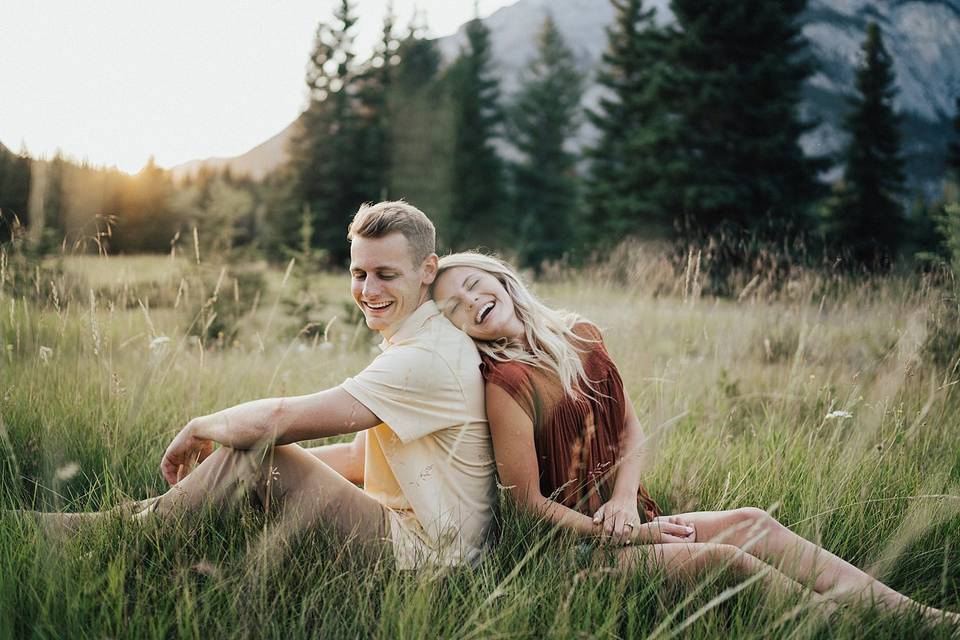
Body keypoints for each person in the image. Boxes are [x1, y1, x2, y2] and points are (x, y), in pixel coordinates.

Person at [431, 250, 960, 625]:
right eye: (453, 306)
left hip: (626, 518)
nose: (470, 301)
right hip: (570, 556)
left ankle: (918, 617)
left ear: (502, 279)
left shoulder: (580, 334)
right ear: (456, 329)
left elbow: (631, 429)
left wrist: (623, 501)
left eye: (475, 283)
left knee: (752, 522)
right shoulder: (504, 386)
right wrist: (623, 534)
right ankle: (861, 629)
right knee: (724, 559)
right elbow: (524, 506)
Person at [22, 202, 498, 571]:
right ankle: (119, 523)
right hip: (422, 543)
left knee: (260, 444)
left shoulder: (425, 357)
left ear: (427, 269)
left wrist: (202, 427)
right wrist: (232, 467)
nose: (368, 290)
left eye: (386, 275)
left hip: (430, 562)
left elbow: (278, 420)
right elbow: (358, 459)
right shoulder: (420, 338)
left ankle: (110, 539)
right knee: (250, 454)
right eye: (359, 273)